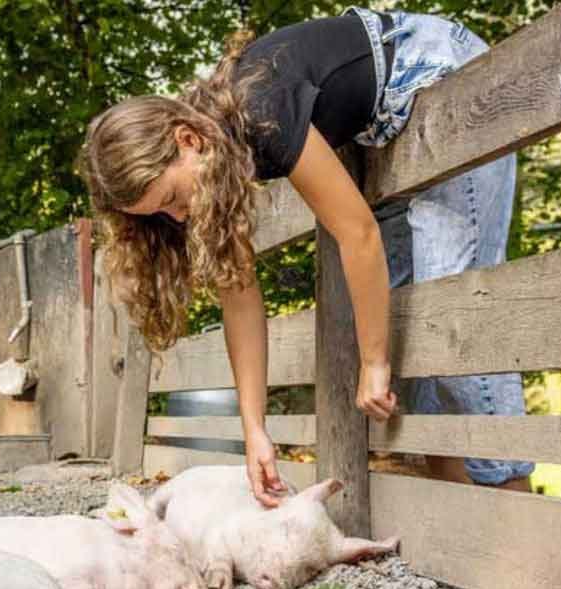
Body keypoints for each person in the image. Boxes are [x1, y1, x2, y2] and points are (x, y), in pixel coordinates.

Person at [77, 7, 534, 506]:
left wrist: (372, 362)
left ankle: (518, 520)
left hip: (440, 69)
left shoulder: (260, 110)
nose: (179, 217)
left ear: (188, 141)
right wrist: (255, 431)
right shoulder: (219, 159)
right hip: (385, 130)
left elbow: (357, 234)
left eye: (169, 199)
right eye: (162, 214)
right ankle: (467, 520)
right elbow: (239, 297)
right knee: (407, 325)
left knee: (451, 308)